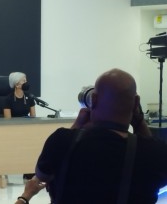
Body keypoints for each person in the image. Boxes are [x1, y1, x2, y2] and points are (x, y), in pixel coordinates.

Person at [32, 68, 167, 204]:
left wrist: (76, 126)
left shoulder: (61, 140)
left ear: (94, 100)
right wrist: (139, 123)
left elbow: (42, 175)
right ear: (136, 103)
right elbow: (158, 177)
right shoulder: (155, 152)